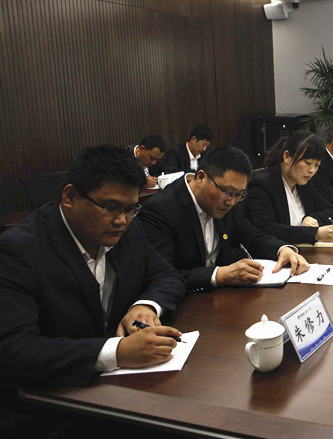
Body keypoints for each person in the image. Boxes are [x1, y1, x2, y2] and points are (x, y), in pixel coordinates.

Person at [0, 146, 185, 436]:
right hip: (53, 409)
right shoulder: (18, 251)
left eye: (130, 209)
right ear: (70, 197)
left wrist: (146, 305)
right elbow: (15, 351)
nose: (121, 220)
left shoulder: (129, 231)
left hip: (122, 394)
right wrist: (116, 352)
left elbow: (167, 274)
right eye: (110, 207)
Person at [138, 145, 309, 294]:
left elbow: (251, 235)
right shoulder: (161, 210)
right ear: (201, 177)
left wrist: (282, 250)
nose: (231, 202)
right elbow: (162, 276)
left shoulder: (229, 202)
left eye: (239, 195)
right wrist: (219, 275)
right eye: (227, 192)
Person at [245, 131, 333, 245]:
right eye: (308, 163)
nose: (312, 170)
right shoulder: (263, 185)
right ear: (287, 157)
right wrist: (314, 234)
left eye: (316, 165)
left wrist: (310, 218)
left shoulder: (303, 183)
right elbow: (266, 228)